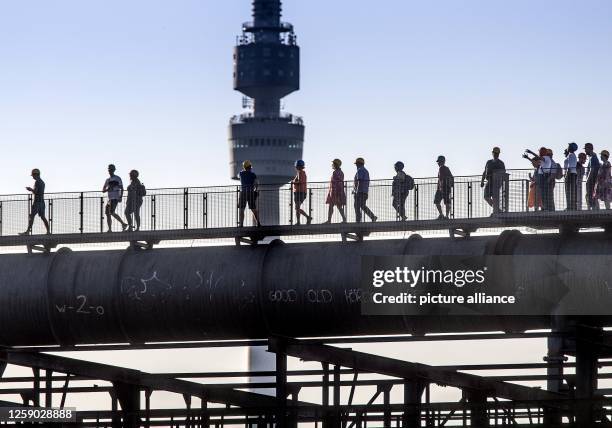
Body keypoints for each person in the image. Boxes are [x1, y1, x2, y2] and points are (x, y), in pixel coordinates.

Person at [19, 168, 50, 235]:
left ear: (35, 174)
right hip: (42, 202)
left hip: (37, 202)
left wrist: (30, 189)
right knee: (43, 217)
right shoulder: (42, 182)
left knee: (32, 216)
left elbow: (36, 191)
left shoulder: (37, 182)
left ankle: (27, 232)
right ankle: (48, 231)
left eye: (33, 175)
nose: (32, 177)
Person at [103, 164, 128, 232]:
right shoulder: (107, 180)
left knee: (111, 212)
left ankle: (123, 224)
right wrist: (108, 189)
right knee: (108, 213)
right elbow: (103, 190)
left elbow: (122, 188)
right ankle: (110, 229)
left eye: (111, 169)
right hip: (110, 199)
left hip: (115, 198)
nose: (110, 171)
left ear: (114, 170)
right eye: (109, 169)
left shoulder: (117, 178)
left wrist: (120, 197)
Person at [481, 147, 506, 214]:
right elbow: (484, 171)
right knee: (486, 197)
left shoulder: (501, 163)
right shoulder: (489, 162)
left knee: (495, 197)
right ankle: (497, 209)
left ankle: (496, 211)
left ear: (498, 154)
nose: (496, 154)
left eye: (497, 153)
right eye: (495, 153)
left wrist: (501, 181)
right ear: (492, 153)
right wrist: (482, 181)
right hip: (489, 182)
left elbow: (504, 173)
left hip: (497, 182)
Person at [353, 157, 377, 223]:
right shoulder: (365, 171)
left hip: (360, 191)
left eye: (356, 164)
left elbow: (359, 180)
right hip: (365, 191)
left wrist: (356, 191)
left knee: (357, 206)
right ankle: (372, 216)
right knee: (362, 205)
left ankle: (358, 220)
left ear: (359, 164)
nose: (356, 165)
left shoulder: (360, 170)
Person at [238, 160, 261, 227]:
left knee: (242, 209)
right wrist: (256, 190)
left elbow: (238, 175)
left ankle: (241, 224)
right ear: (250, 167)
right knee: (253, 209)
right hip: (250, 193)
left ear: (244, 167)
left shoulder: (241, 174)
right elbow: (256, 183)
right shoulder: (253, 175)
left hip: (243, 193)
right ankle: (258, 223)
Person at [324, 159, 347, 223]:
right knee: (338, 206)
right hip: (338, 191)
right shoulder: (341, 172)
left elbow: (336, 183)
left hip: (335, 192)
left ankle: (329, 220)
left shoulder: (335, 172)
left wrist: (335, 193)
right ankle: (344, 219)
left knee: (332, 206)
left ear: (336, 165)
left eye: (334, 164)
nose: (332, 165)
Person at [291, 160, 312, 225]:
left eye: (296, 166)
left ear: (298, 166)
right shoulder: (301, 173)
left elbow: (300, 182)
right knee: (297, 208)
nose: (295, 167)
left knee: (297, 208)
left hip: (300, 192)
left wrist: (293, 182)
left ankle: (306, 218)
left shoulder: (300, 173)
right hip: (300, 192)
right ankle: (299, 221)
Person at [585, 143, 600, 210]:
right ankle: (594, 210)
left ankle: (593, 211)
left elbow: (592, 170)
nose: (585, 151)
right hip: (593, 181)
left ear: (589, 149)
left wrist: (588, 180)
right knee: (590, 196)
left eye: (586, 149)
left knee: (591, 196)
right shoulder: (592, 157)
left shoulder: (593, 158)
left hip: (592, 181)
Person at [563, 143, 578, 210]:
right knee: (570, 191)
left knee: (569, 191)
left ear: (571, 148)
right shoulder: (571, 155)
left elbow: (570, 167)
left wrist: (566, 176)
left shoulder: (571, 155)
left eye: (568, 146)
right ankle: (570, 206)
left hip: (570, 174)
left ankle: (570, 207)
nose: (567, 147)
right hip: (571, 174)